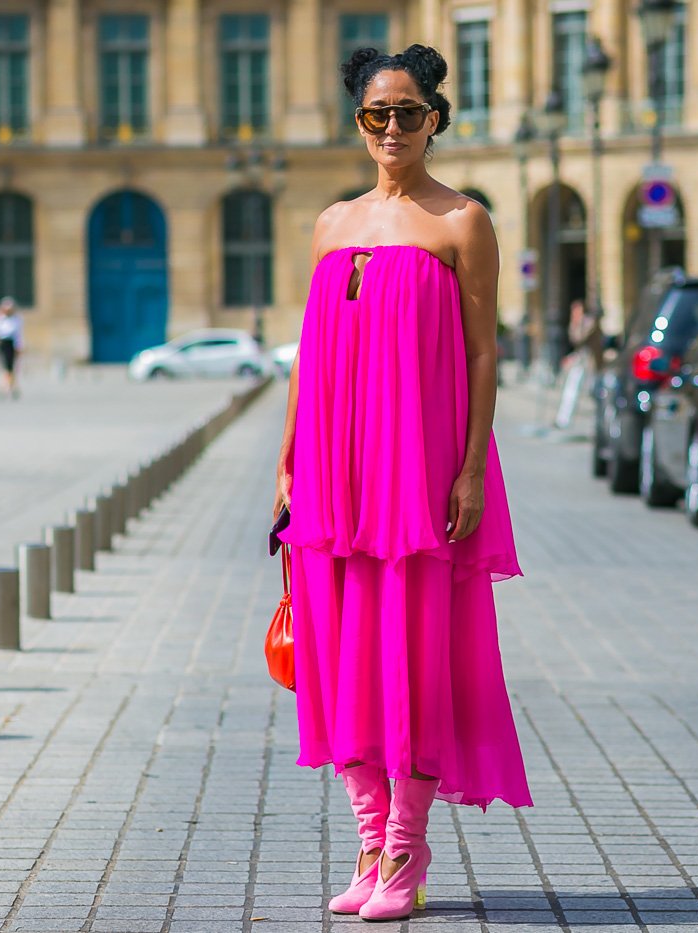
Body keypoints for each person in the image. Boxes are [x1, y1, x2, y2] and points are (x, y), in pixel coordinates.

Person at [272, 44, 532, 923]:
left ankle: (406, 853)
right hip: (334, 469)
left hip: (418, 470)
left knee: (413, 652)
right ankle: (368, 835)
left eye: (408, 113)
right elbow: (310, 357)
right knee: (341, 651)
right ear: (359, 122)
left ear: (435, 119)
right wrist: (285, 461)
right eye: (376, 114)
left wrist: (468, 468)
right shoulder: (332, 223)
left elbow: (485, 353)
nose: (391, 128)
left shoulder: (463, 221)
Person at [0, 297, 23, 399]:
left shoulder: (16, 319)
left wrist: (19, 346)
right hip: (2, 342)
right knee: (7, 366)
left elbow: (18, 334)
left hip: (11, 343)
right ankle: (11, 387)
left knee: (9, 367)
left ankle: (6, 387)